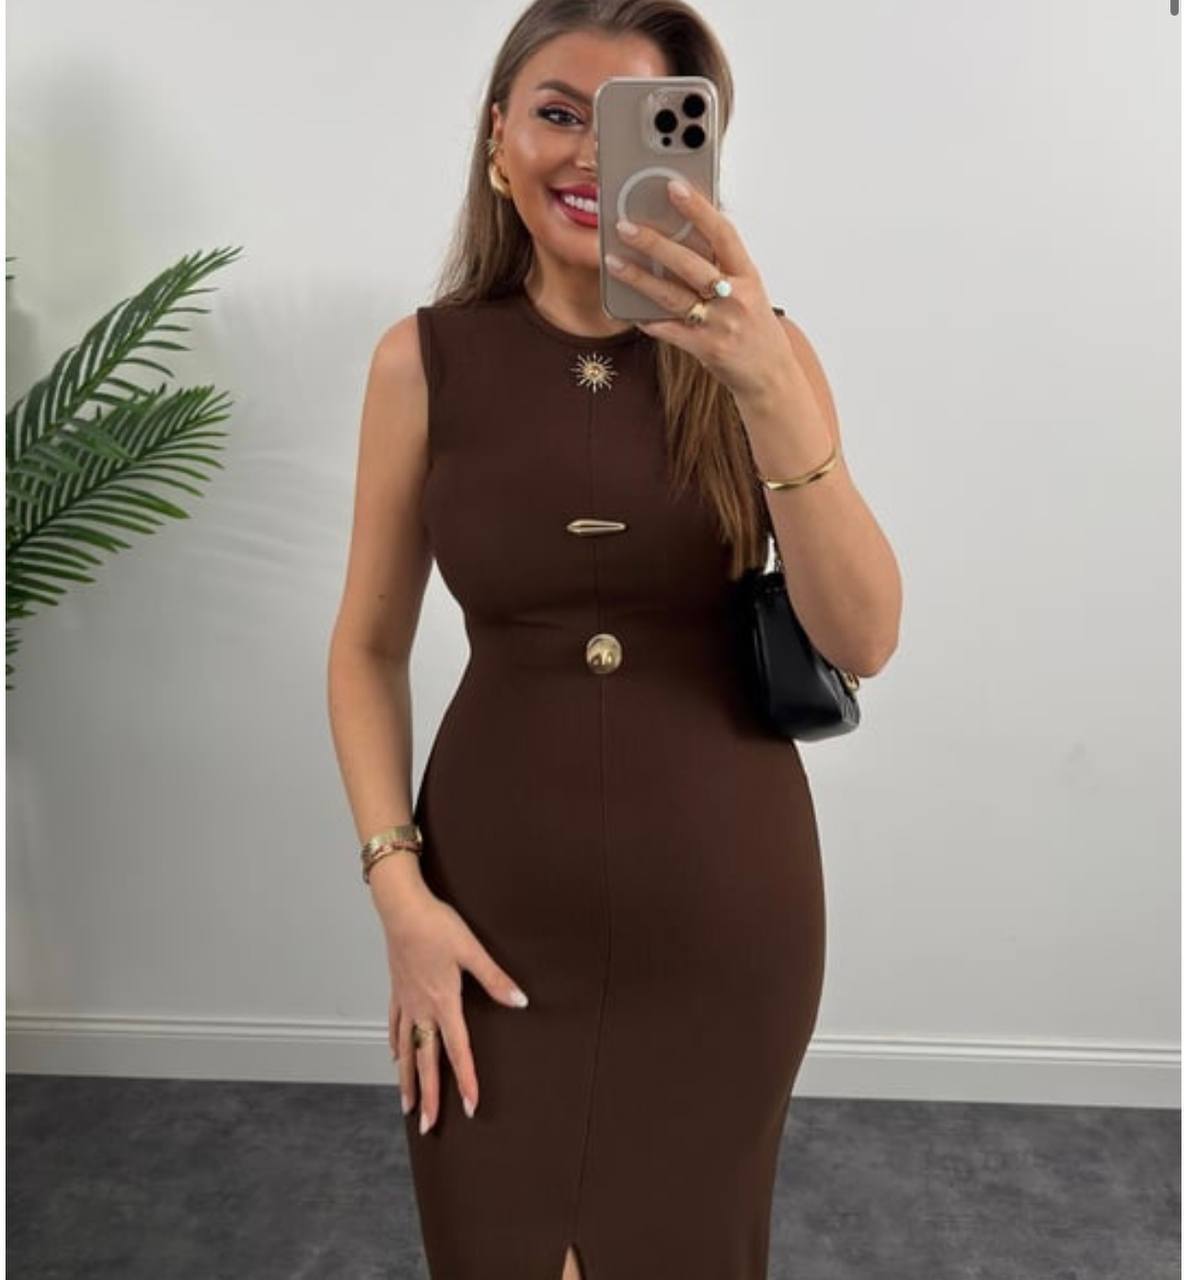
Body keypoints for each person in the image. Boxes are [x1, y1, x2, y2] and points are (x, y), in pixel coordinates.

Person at [327, 2, 902, 1276]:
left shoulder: (764, 353)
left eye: (633, 123)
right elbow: (366, 647)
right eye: (555, 113)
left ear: (691, 150)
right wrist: (398, 895)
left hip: (722, 913)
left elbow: (863, 632)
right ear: (496, 138)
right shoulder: (420, 363)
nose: (588, 154)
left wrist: (763, 382)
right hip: (485, 914)